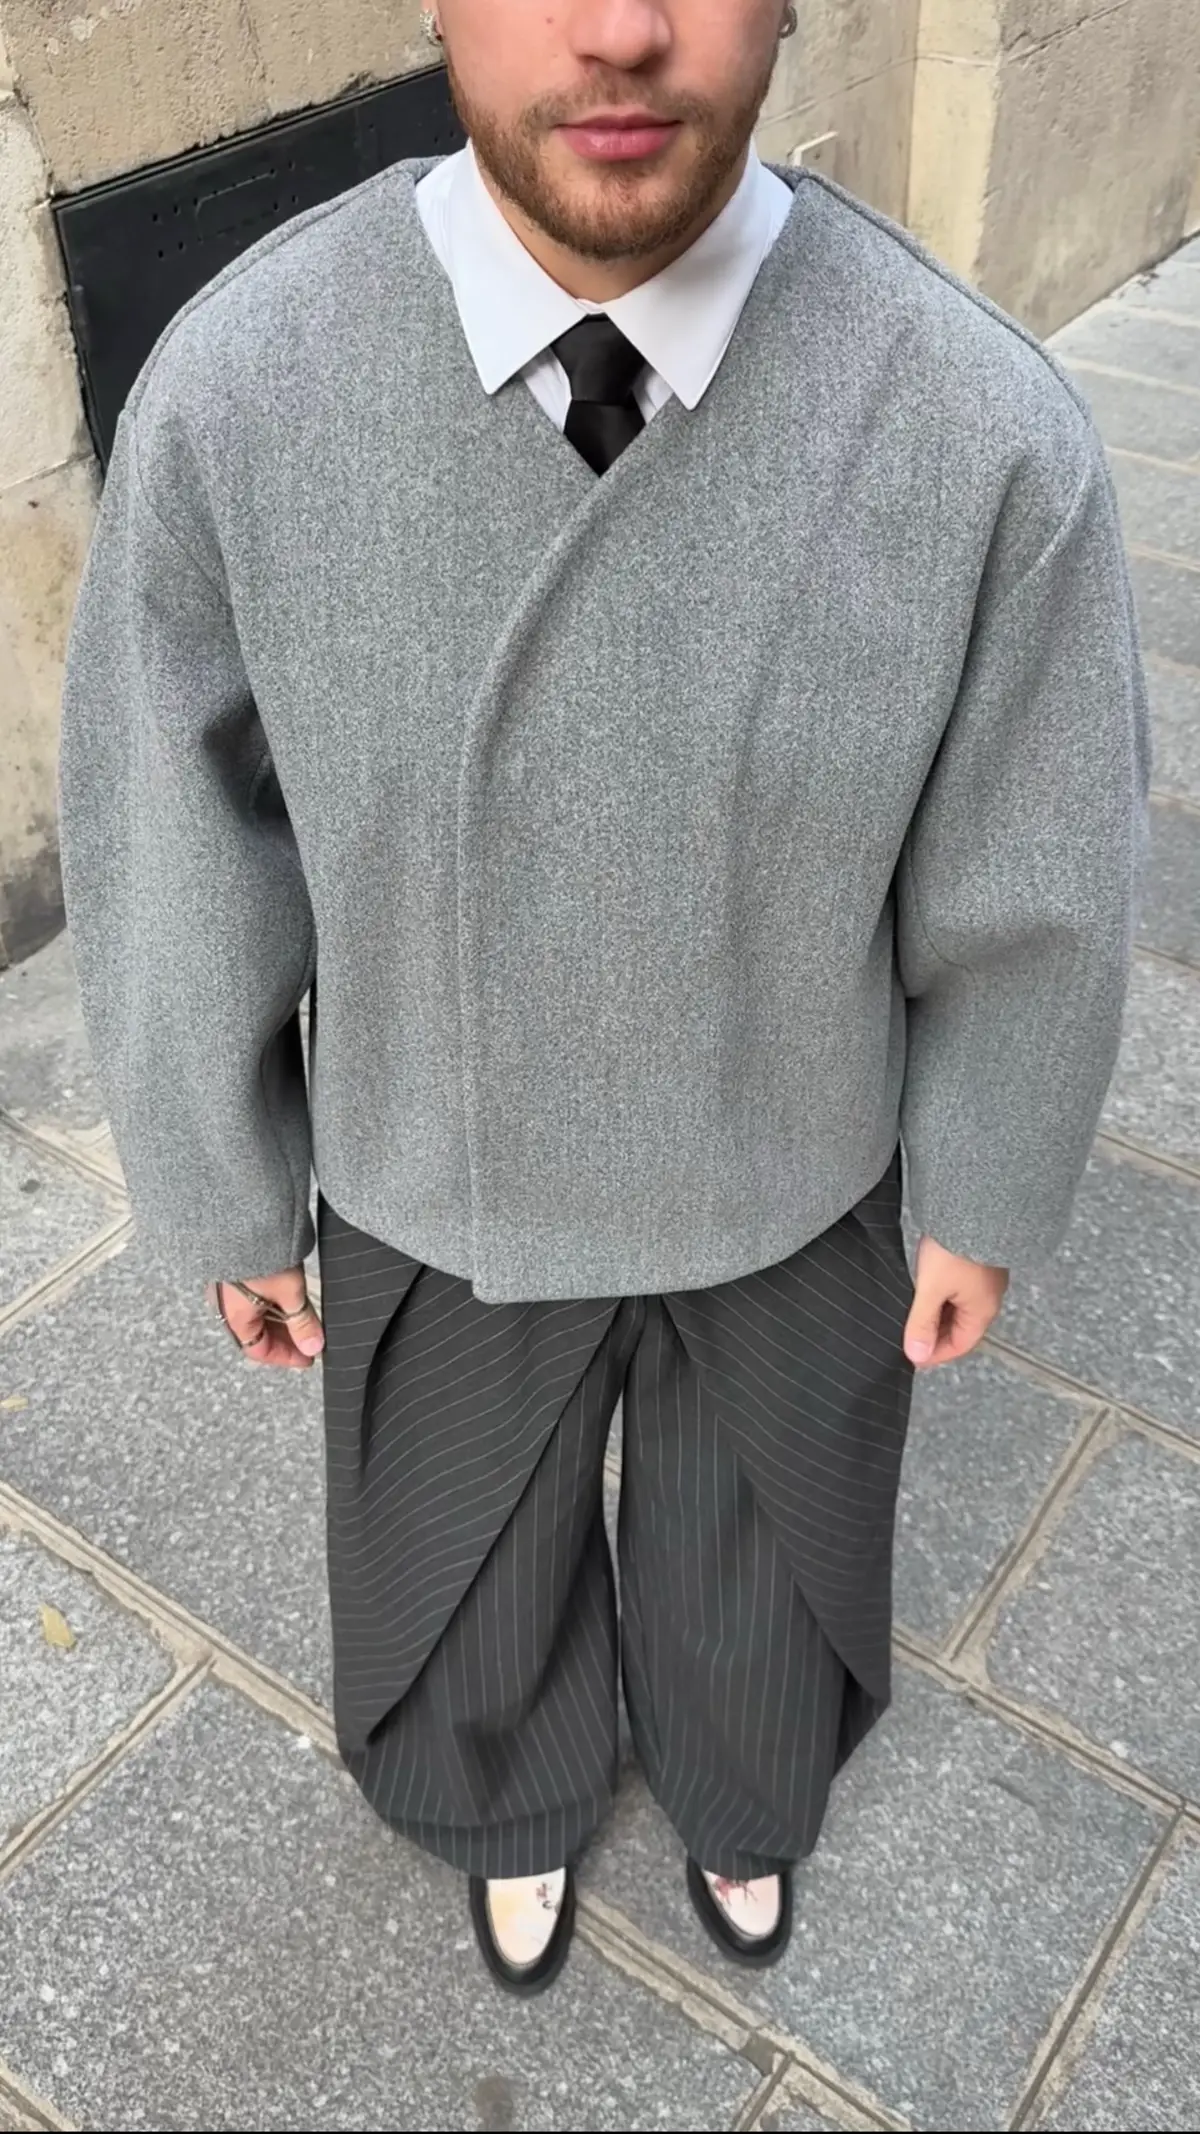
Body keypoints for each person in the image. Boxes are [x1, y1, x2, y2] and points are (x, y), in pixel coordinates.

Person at [56, 0, 1149, 1998]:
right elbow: (177, 822)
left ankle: (746, 1780)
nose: (624, 27)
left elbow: (1032, 848)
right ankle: (506, 1794)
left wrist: (988, 1171)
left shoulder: (972, 420)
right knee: (458, 1548)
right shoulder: (246, 385)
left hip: (791, 1139)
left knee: (771, 1540)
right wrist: (226, 1173)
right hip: (433, 1144)